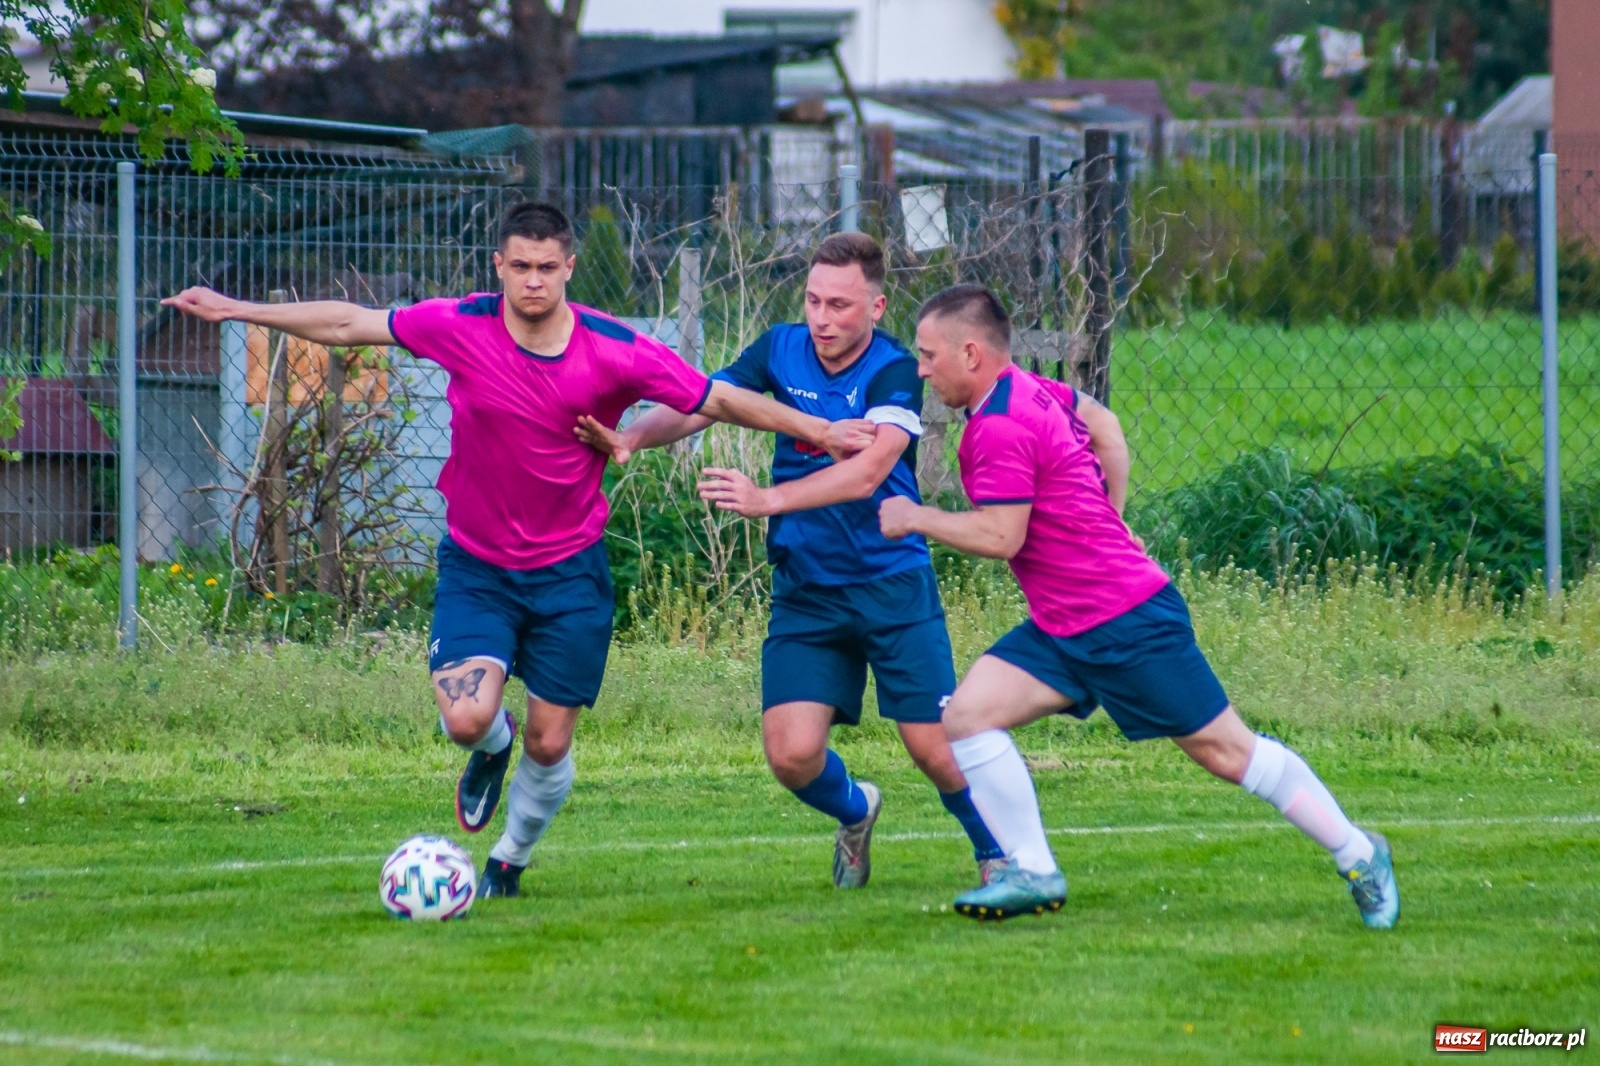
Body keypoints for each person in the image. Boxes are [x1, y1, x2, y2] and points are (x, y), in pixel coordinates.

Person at [162, 202, 874, 898]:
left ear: (569, 267)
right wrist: (236, 309)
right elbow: (350, 323)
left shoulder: (614, 347)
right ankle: (488, 749)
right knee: (467, 720)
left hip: (571, 575)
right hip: (479, 569)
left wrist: (821, 432)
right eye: (521, 267)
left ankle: (509, 859)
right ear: (499, 266)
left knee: (550, 743)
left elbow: (716, 399)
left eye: (547, 267)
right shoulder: (460, 324)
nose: (534, 280)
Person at [877, 283, 1401, 927]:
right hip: (1064, 625)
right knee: (967, 717)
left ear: (972, 352)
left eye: (929, 355)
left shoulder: (999, 425)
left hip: (1127, 620)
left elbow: (1001, 535)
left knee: (1226, 752)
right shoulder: (1033, 388)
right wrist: (1111, 520)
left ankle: (1360, 854)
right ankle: (1033, 870)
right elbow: (1107, 428)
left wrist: (914, 517)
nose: (921, 368)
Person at [577, 233, 1005, 888]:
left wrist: (767, 498)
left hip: (891, 584)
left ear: (877, 306)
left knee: (934, 749)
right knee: (792, 755)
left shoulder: (894, 369)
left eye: (840, 305)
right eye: (813, 301)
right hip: (807, 590)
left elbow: (869, 472)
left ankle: (996, 854)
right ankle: (858, 809)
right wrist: (634, 435)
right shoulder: (779, 349)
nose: (823, 319)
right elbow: (704, 401)